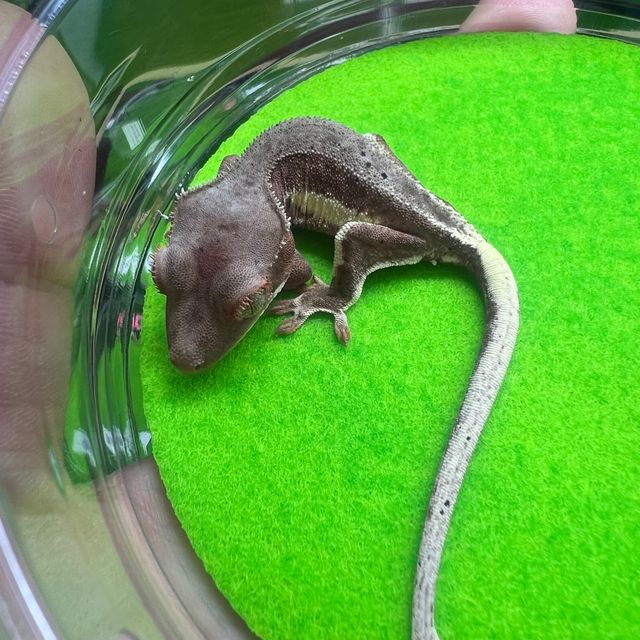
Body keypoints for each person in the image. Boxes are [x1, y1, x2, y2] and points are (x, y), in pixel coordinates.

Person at [0, 0, 577, 637]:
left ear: (278, 250)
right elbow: (241, 227)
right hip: (331, 174)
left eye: (244, 303)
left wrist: (325, 293)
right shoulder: (242, 192)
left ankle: (345, 292)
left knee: (352, 236)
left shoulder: (278, 226)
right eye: (165, 276)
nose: (184, 348)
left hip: (413, 230)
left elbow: (294, 266)